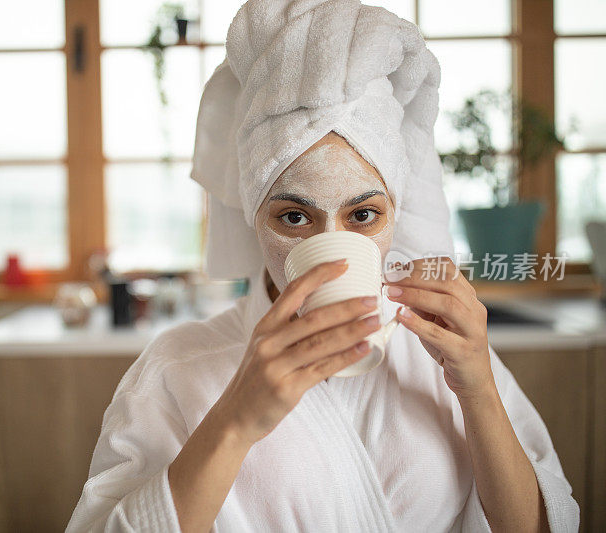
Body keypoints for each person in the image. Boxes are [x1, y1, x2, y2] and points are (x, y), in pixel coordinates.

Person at [66, 0, 579, 531]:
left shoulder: (447, 350)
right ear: (252, 215)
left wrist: (479, 388)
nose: (332, 247)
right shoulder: (178, 369)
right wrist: (235, 421)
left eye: (363, 214)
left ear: (394, 214)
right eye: (293, 215)